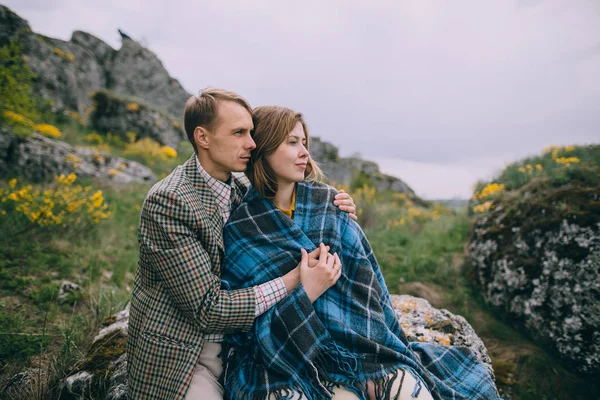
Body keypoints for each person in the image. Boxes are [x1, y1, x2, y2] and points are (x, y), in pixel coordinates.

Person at [221, 106, 502, 400]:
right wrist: (307, 293)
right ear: (264, 148)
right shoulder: (242, 228)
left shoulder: (330, 203)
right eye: (292, 142)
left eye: (305, 142)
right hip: (286, 358)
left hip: (357, 349)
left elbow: (365, 286)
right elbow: (246, 327)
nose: (304, 152)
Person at [127, 89, 357, 400]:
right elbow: (207, 310)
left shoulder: (240, 186)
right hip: (190, 355)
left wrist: (336, 205)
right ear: (203, 137)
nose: (251, 143)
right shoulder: (170, 201)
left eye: (251, 132)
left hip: (247, 345)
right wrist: (295, 280)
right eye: (238, 133)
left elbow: (293, 191)